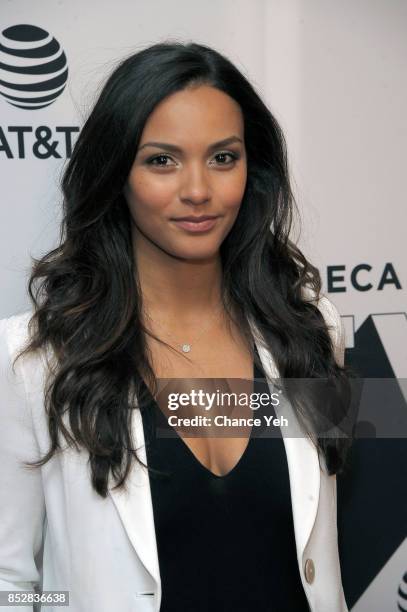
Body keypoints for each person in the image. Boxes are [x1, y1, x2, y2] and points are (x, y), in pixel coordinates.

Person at [0, 41, 353, 612]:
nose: (198, 190)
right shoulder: (34, 359)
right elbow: (8, 583)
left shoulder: (310, 329)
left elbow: (329, 541)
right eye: (161, 160)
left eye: (223, 157)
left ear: (251, 168)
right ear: (117, 174)